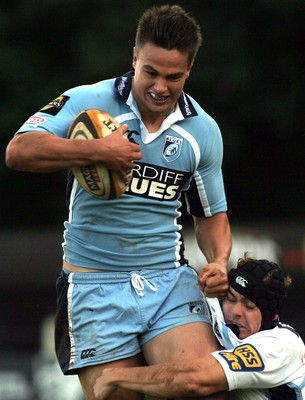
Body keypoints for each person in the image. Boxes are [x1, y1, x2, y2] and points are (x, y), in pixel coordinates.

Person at [5, 5, 231, 400]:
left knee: (200, 386)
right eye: (151, 72)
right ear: (134, 59)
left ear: (189, 71)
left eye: (173, 77)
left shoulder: (203, 131)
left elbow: (211, 216)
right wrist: (95, 150)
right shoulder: (88, 101)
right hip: (94, 286)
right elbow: (19, 151)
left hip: (167, 282)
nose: (160, 87)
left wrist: (217, 262)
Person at [93, 254, 305, 400]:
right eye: (231, 299)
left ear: (271, 317)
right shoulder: (218, 318)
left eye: (250, 306)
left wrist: (116, 376)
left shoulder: (281, 346)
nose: (237, 311)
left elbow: (193, 380)